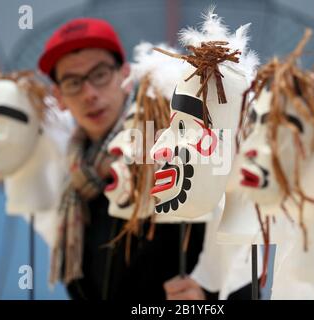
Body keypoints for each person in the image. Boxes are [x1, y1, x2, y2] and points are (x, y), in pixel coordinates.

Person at [38, 17, 205, 300]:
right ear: (59, 96)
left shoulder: (171, 151)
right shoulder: (75, 180)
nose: (89, 93)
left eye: (100, 74)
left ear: (125, 76)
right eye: (73, 82)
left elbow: (234, 266)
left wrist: (208, 300)